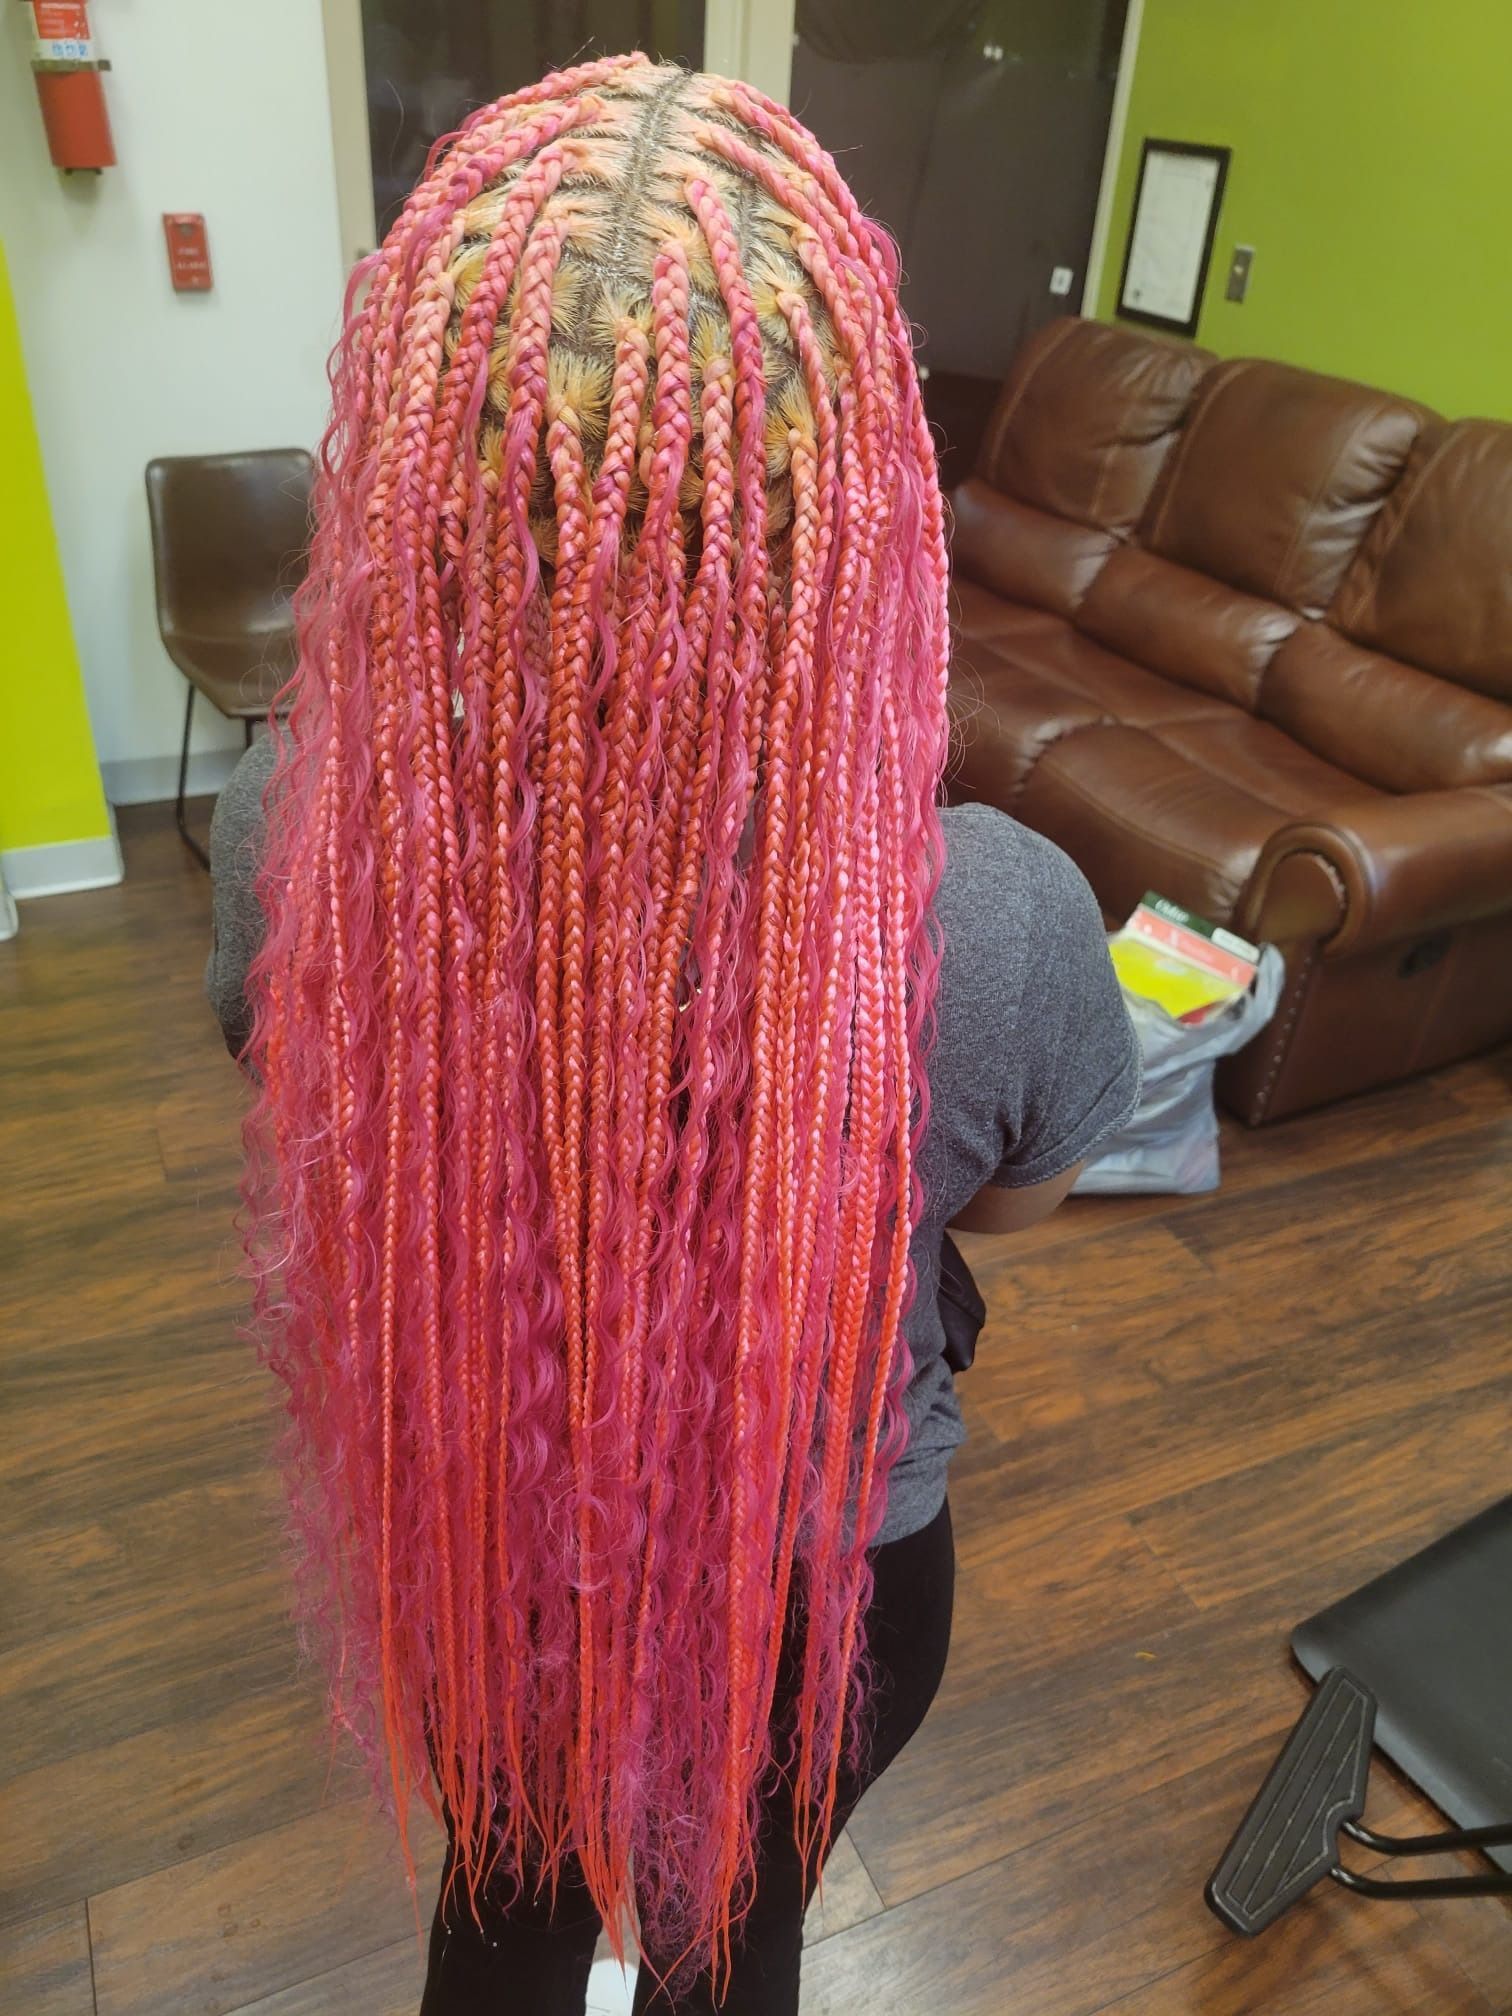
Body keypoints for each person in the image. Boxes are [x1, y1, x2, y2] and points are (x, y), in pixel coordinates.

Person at [206, 53, 1139, 2015]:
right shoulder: (995, 917)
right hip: (821, 1589)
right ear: (862, 497)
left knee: (504, 1913)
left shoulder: (307, 848)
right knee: (736, 1947)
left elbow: (295, 1089)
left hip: (486, 1541)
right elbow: (1020, 1212)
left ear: (417, 480)